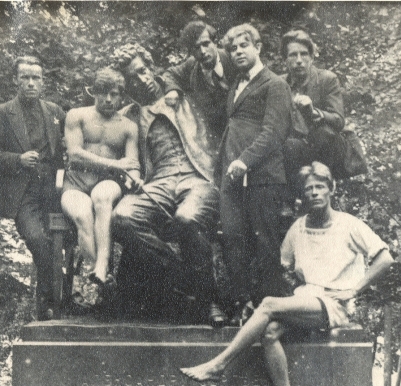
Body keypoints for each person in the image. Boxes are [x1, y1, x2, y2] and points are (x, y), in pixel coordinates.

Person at [182, 162, 394, 386]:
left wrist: (353, 290)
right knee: (269, 332)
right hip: (305, 298)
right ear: (303, 195)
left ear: (331, 189)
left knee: (269, 305)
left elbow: (385, 259)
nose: (314, 193)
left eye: (320, 187)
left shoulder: (349, 224)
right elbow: (280, 267)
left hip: (334, 304)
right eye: (309, 189)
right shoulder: (298, 228)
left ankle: (218, 365)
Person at [110, 43, 226, 326]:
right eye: (133, 78)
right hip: (158, 181)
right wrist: (128, 175)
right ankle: (191, 280)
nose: (142, 80)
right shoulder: (127, 116)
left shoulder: (186, 92)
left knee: (187, 218)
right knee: (122, 217)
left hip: (198, 176)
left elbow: (208, 59)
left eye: (143, 70)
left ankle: (207, 298)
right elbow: (118, 156)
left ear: (151, 67)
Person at [218, 24, 293, 326]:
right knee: (232, 239)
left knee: (265, 245)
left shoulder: (275, 84)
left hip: (263, 177)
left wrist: (245, 161)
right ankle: (243, 305)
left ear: (258, 47)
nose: (237, 52)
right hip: (232, 178)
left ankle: (271, 315)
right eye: (233, 48)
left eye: (244, 45)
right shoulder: (236, 84)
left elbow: (274, 132)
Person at [0, 55, 66, 321]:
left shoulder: (55, 112)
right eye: (25, 77)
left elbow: (74, 142)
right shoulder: (2, 112)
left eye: (35, 78)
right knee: (37, 240)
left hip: (54, 190)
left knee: (65, 242)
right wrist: (18, 159)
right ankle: (49, 305)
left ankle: (59, 305)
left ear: (42, 82)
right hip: (22, 192)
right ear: (15, 80)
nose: (30, 83)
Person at [61, 68, 140, 294]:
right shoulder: (77, 115)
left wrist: (135, 179)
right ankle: (100, 280)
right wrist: (116, 163)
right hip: (76, 182)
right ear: (94, 92)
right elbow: (75, 154)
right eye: (103, 93)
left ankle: (102, 266)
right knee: (82, 215)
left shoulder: (128, 126)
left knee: (102, 197)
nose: (108, 99)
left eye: (114, 94)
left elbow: (132, 163)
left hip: (108, 182)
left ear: (121, 96)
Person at [280, 30, 348, 180]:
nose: (299, 60)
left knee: (324, 134)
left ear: (311, 57)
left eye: (304, 54)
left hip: (325, 146)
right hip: (296, 147)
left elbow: (339, 120)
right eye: (293, 55)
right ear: (285, 60)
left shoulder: (326, 79)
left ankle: (324, 183)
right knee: (288, 146)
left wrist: (314, 112)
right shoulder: (280, 84)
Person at [162, 20, 237, 141]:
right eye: (196, 48)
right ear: (191, 52)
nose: (202, 51)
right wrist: (172, 90)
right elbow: (170, 74)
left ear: (215, 42)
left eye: (206, 44)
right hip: (215, 136)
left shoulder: (233, 59)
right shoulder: (192, 65)